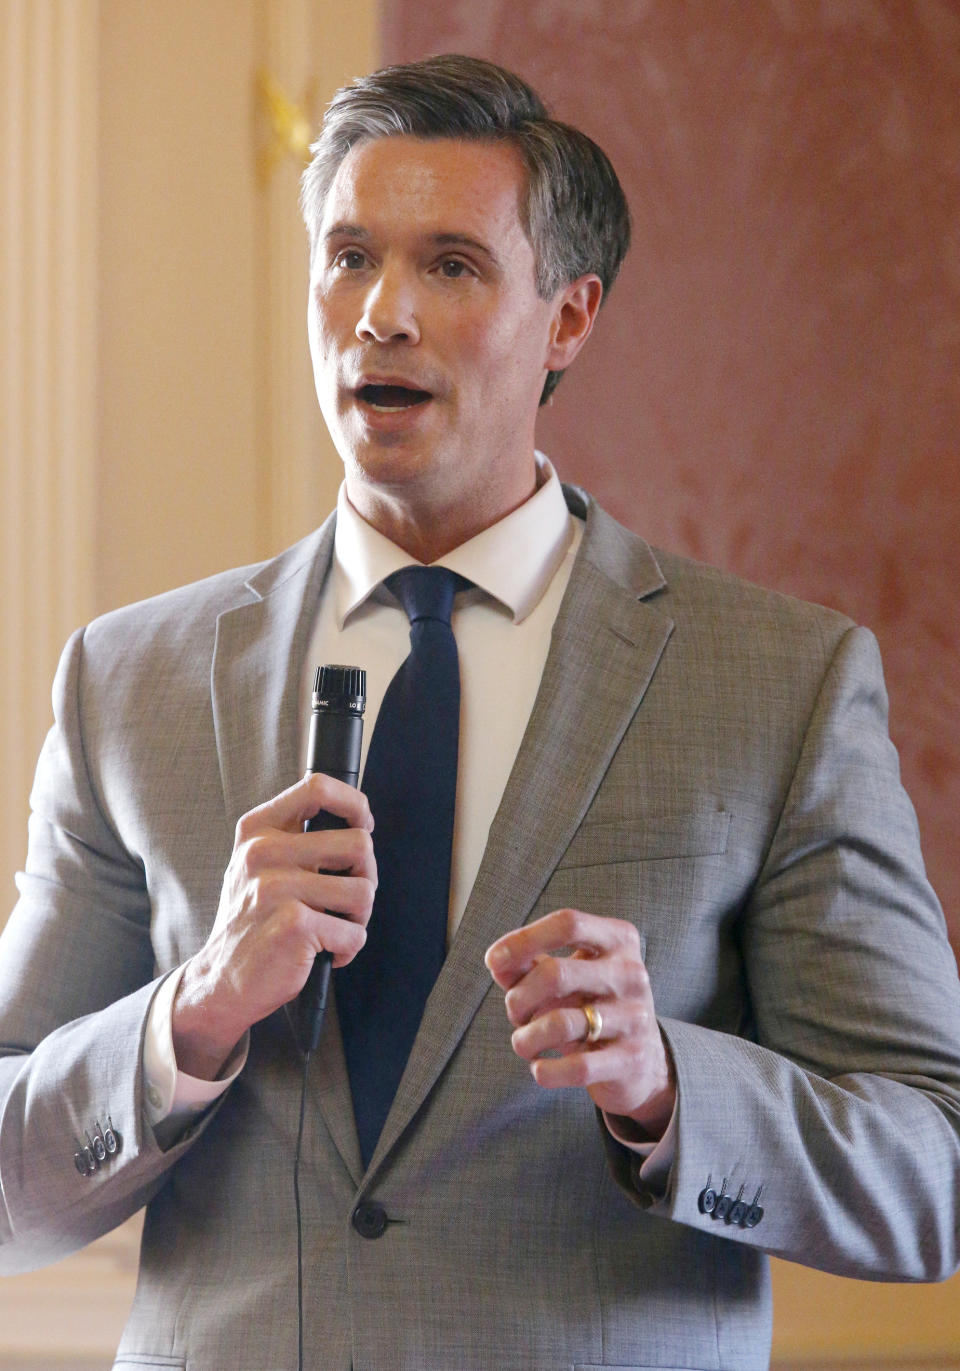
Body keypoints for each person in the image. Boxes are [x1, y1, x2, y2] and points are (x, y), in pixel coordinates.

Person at [2, 52, 960, 1371]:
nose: (381, 313)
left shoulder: (779, 687)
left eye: (450, 265)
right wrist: (193, 1015)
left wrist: (665, 1085)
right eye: (348, 257)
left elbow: (931, 1173)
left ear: (567, 318)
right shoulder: (130, 680)